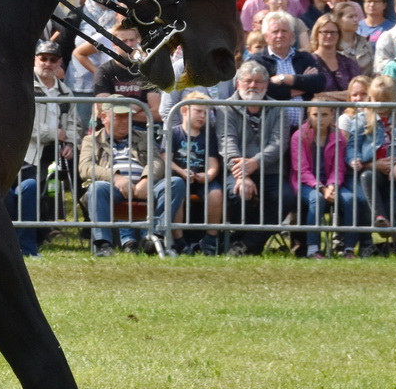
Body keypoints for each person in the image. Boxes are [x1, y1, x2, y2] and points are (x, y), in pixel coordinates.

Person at [79, 102, 185, 256]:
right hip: (112, 189)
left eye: (127, 117)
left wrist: (146, 179)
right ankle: (103, 245)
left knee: (175, 183)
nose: (124, 121)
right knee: (97, 187)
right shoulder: (91, 140)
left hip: (145, 188)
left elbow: (157, 161)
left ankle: (156, 238)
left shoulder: (144, 136)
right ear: (103, 117)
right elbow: (85, 167)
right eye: (118, 117)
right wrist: (115, 177)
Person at [215, 62, 291, 253]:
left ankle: (247, 244)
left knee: (286, 197)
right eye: (248, 81)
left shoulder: (279, 109)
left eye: (258, 82)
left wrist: (255, 162)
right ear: (238, 83)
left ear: (266, 85)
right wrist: (242, 174)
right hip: (235, 170)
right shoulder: (226, 108)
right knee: (239, 193)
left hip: (270, 170)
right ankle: (241, 242)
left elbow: (278, 143)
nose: (253, 86)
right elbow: (227, 142)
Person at [341, 75, 396, 234]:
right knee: (367, 177)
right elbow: (353, 145)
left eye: (384, 101)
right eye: (375, 99)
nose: (379, 105)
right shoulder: (361, 119)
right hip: (374, 168)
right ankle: (380, 219)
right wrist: (355, 160)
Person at [8, 41, 69, 256]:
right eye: (43, 58)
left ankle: (28, 248)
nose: (48, 63)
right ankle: (11, 246)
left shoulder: (65, 92)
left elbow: (73, 124)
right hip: (22, 152)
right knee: (14, 192)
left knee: (33, 189)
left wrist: (69, 141)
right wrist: (54, 133)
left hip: (51, 156)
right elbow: (24, 123)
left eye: (53, 59)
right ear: (35, 59)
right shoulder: (23, 85)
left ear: (60, 62)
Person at [291, 105, 360, 257]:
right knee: (317, 199)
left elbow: (339, 168)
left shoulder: (338, 137)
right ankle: (313, 248)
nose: (320, 119)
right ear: (309, 115)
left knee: (350, 199)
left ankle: (348, 248)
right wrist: (321, 188)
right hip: (306, 184)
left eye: (325, 115)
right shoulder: (299, 136)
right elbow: (301, 170)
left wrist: (332, 185)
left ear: (332, 115)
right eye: (316, 114)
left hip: (330, 183)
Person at [165, 92, 223, 255]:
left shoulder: (208, 136)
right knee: (177, 193)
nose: (202, 116)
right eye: (198, 111)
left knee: (216, 193)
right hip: (179, 177)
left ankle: (210, 240)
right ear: (184, 110)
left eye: (206, 113)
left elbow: (213, 163)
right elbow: (165, 158)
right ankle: (179, 241)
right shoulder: (174, 132)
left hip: (201, 178)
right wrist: (181, 171)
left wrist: (208, 176)